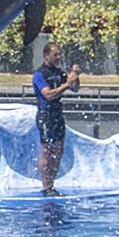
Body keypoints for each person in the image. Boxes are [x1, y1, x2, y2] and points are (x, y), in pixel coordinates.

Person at [31, 42, 80, 196]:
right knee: (47, 151)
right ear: (46, 55)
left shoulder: (59, 72)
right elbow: (49, 95)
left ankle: (52, 185)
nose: (58, 57)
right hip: (45, 115)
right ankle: (46, 187)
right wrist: (66, 84)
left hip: (58, 115)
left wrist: (75, 76)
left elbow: (75, 88)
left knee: (58, 151)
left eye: (59, 54)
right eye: (55, 55)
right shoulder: (39, 74)